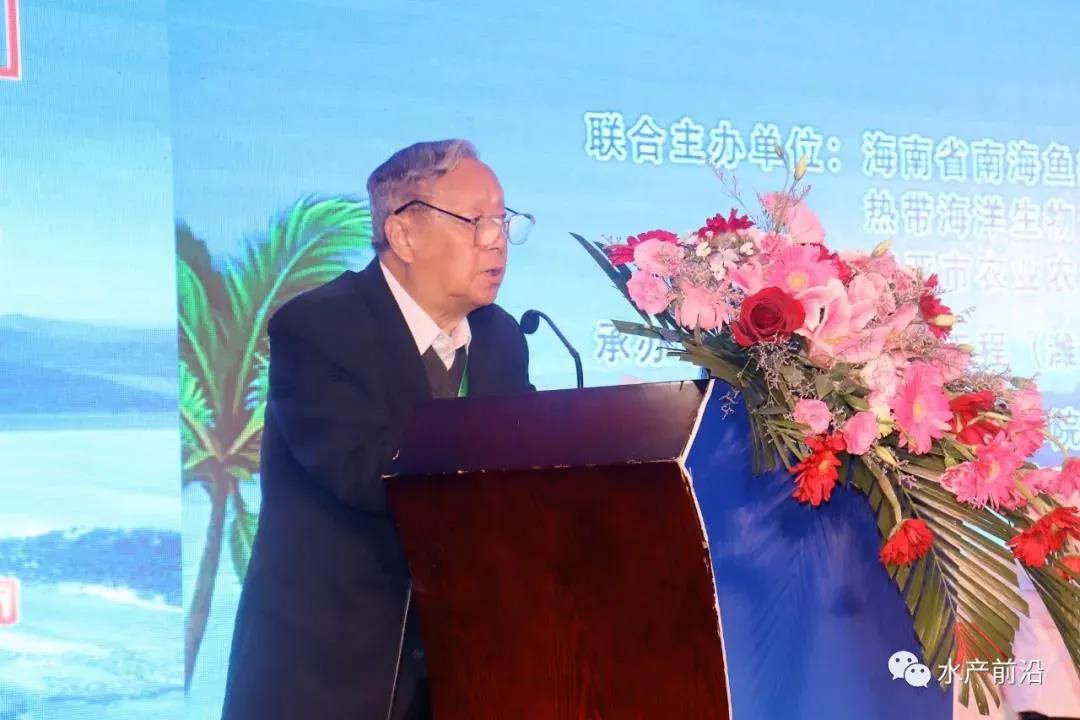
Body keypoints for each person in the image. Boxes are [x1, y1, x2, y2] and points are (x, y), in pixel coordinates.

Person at [221, 139, 535, 720]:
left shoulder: (500, 338)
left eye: (502, 221)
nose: (496, 240)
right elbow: (365, 472)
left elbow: (533, 458)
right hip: (330, 674)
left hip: (465, 671)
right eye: (475, 221)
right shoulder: (320, 326)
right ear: (404, 234)